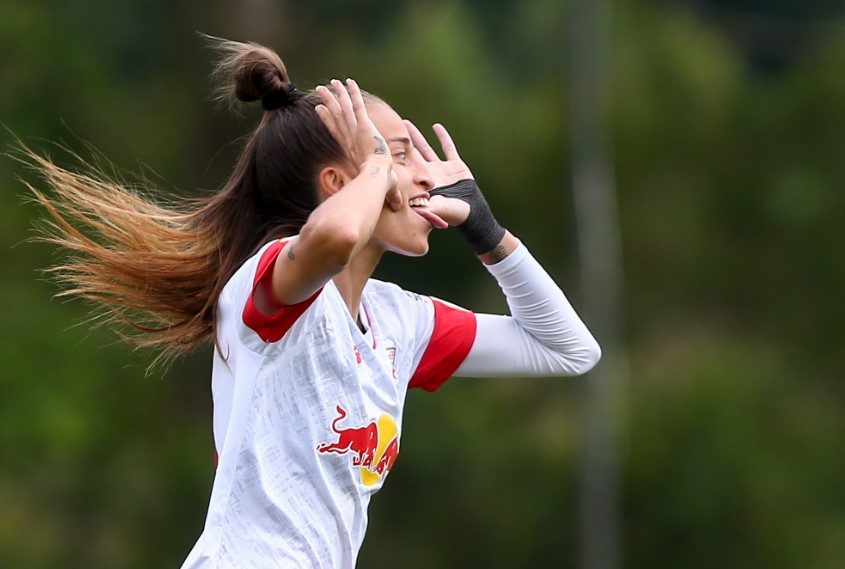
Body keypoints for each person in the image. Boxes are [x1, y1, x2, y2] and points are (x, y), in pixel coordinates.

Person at [24, 39, 600, 568]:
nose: (426, 175)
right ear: (336, 181)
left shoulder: (399, 323)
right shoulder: (274, 281)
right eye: (400, 153)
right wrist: (376, 170)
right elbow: (334, 240)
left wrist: (487, 230)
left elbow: (568, 349)